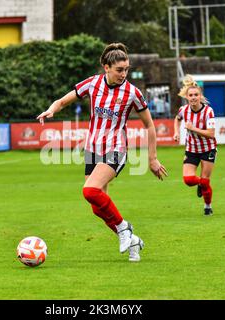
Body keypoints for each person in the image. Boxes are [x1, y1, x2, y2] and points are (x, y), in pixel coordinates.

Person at [37, 43, 168, 262]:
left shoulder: (132, 93)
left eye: (126, 69)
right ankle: (133, 240)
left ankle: (124, 229)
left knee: (89, 191)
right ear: (106, 67)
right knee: (97, 207)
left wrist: (152, 158)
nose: (123, 74)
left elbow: (150, 126)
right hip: (93, 149)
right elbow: (61, 101)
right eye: (119, 70)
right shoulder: (92, 84)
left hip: (116, 148)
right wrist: (51, 110)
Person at [173, 75, 217, 216]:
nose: (193, 97)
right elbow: (177, 119)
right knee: (188, 180)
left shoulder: (208, 111)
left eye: (196, 95)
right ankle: (201, 183)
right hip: (191, 149)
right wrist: (176, 133)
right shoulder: (183, 110)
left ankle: (207, 206)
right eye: (190, 95)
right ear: (186, 97)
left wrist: (193, 129)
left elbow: (211, 134)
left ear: (200, 96)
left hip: (208, 149)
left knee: (206, 181)